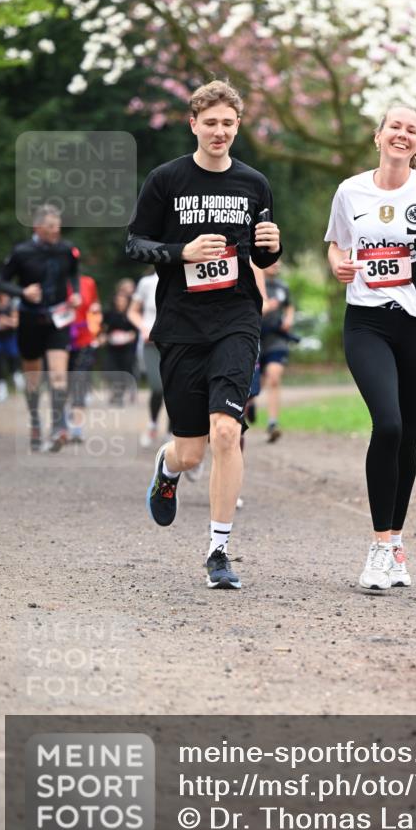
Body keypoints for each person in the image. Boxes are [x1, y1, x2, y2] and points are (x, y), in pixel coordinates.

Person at [126, 79, 281, 590]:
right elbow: (134, 244)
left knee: (227, 432)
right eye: (210, 122)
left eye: (228, 123)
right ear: (193, 124)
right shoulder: (166, 180)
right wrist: (181, 253)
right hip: (181, 324)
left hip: (236, 317)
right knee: (191, 450)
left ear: (238, 126)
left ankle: (219, 551)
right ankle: (168, 468)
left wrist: (271, 245)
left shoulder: (254, 183)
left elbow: (263, 256)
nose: (219, 131)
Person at [325, 103, 416, 591]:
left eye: (412, 130)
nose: (402, 135)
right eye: (395, 127)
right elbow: (336, 244)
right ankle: (378, 546)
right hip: (366, 323)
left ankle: (396, 543)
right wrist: (338, 264)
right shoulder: (350, 191)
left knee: (406, 436)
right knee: (387, 424)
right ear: (379, 135)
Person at [0, 205, 81, 451]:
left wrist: (75, 293)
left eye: (58, 226)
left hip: (58, 319)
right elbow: (1, 282)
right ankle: (35, 421)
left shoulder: (67, 249)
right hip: (30, 319)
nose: (56, 231)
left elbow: (74, 274)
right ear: (37, 227)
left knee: (58, 374)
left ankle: (58, 427)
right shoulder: (22, 252)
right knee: (33, 379)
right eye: (51, 227)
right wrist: (22, 292)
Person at [127, 268, 165, 448]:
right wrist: (143, 327)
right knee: (158, 387)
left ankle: (173, 431)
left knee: (178, 387)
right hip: (151, 343)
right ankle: (152, 425)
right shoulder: (147, 283)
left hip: (178, 341)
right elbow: (132, 311)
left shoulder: (187, 275)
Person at [260, 260, 295, 442]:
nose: (277, 263)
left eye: (278, 260)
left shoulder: (282, 287)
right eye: (272, 260)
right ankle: (249, 405)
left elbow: (289, 305)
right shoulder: (252, 284)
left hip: (276, 340)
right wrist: (264, 309)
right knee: (253, 385)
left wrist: (288, 319)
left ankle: (273, 423)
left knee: (274, 376)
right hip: (254, 339)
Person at [67, 273, 101, 442]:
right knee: (61, 382)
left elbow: (95, 307)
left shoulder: (88, 282)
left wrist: (95, 328)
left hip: (84, 339)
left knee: (79, 380)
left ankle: (77, 428)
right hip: (58, 338)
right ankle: (61, 424)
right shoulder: (53, 280)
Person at [103, 283, 138, 406]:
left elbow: (136, 329)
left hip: (127, 348)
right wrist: (103, 336)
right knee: (111, 370)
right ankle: (115, 392)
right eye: (118, 300)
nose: (120, 303)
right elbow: (103, 329)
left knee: (125, 371)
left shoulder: (131, 315)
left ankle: (120, 395)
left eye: (123, 300)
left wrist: (133, 335)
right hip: (112, 348)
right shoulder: (109, 314)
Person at [0, 292, 24, 401]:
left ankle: (17, 378)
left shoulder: (11, 307)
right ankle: (1, 388)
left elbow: (16, 323)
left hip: (10, 338)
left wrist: (5, 321)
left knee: (13, 360)